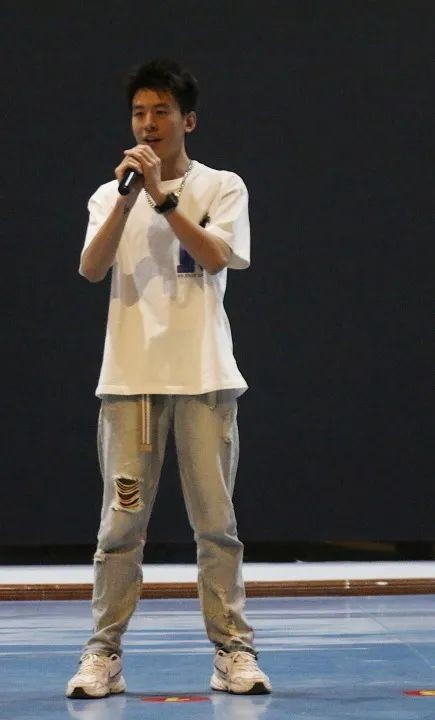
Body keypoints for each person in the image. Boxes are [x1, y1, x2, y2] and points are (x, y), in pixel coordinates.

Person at [66, 58, 271, 699]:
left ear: (189, 121)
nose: (148, 124)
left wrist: (163, 197)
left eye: (161, 112)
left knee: (216, 526)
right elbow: (91, 268)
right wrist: (130, 198)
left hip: (204, 379)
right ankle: (103, 654)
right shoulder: (111, 193)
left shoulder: (222, 186)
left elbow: (215, 256)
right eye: (139, 113)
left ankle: (233, 651)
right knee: (119, 528)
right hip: (130, 384)